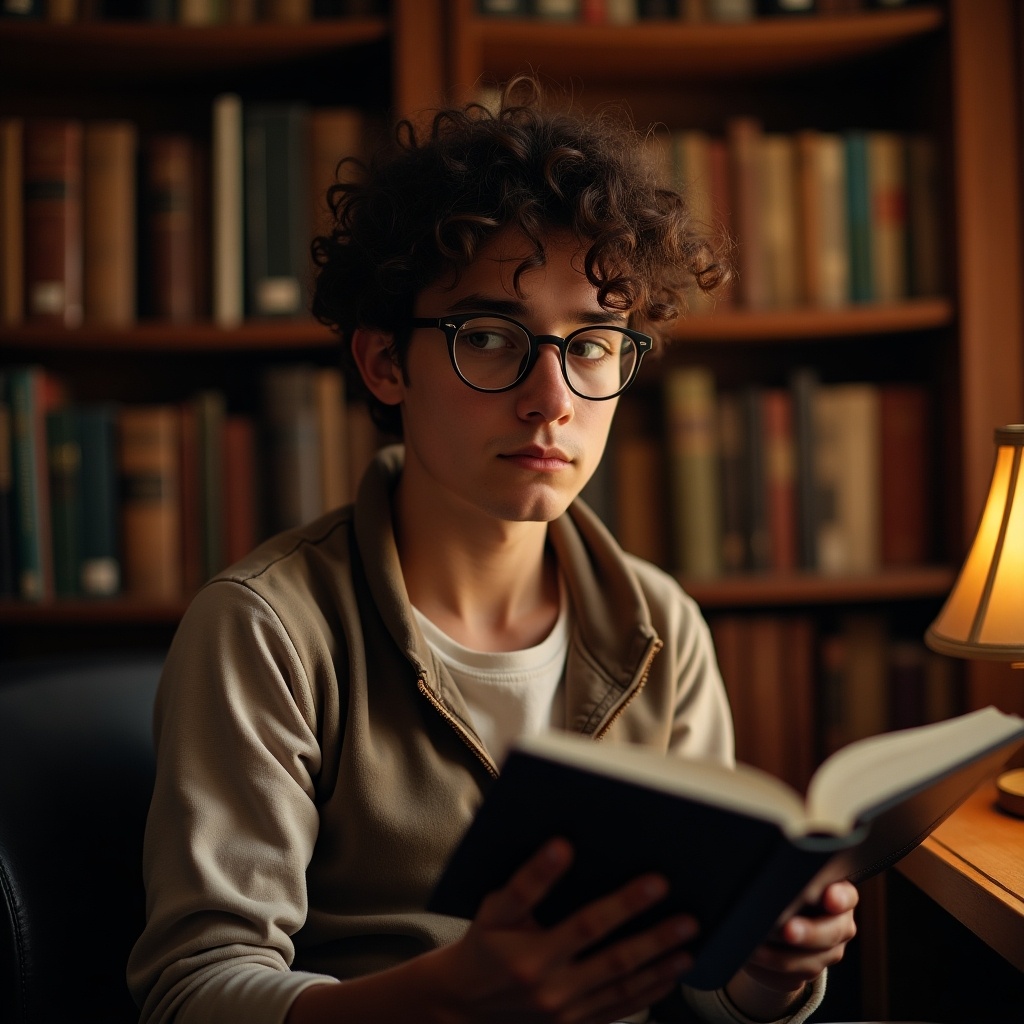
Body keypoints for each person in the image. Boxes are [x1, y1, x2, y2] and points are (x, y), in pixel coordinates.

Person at [127, 77, 857, 1024]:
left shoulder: (657, 625)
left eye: (592, 342)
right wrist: (450, 996)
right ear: (386, 363)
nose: (552, 397)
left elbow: (703, 989)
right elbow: (191, 993)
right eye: (488, 336)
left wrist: (770, 968)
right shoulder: (269, 627)